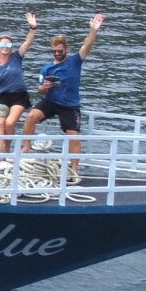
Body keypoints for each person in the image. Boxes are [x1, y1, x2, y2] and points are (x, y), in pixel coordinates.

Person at [22, 14, 105, 184]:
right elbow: (39, 89)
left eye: (60, 51)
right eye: (55, 52)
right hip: (51, 101)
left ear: (66, 49)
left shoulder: (75, 61)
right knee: (31, 117)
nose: (58, 54)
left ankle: (74, 170)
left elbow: (87, 45)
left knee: (73, 135)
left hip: (69, 104)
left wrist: (93, 31)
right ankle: (26, 147)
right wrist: (45, 87)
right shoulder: (46, 68)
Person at [0, 14, 40, 157]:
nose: (5, 47)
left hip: (19, 95)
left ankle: (7, 148)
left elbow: (27, 42)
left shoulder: (16, 57)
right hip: (3, 96)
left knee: (10, 124)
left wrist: (32, 27)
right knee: (0, 123)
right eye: (3, 44)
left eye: (8, 44)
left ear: (11, 47)